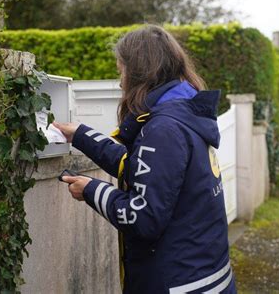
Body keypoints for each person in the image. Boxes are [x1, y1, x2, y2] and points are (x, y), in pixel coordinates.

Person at [53, 25, 237, 294]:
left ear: (139, 72)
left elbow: (142, 218)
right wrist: (80, 135)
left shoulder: (164, 128)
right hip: (208, 277)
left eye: (121, 70)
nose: (120, 81)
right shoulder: (184, 113)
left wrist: (91, 189)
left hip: (178, 285)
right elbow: (143, 169)